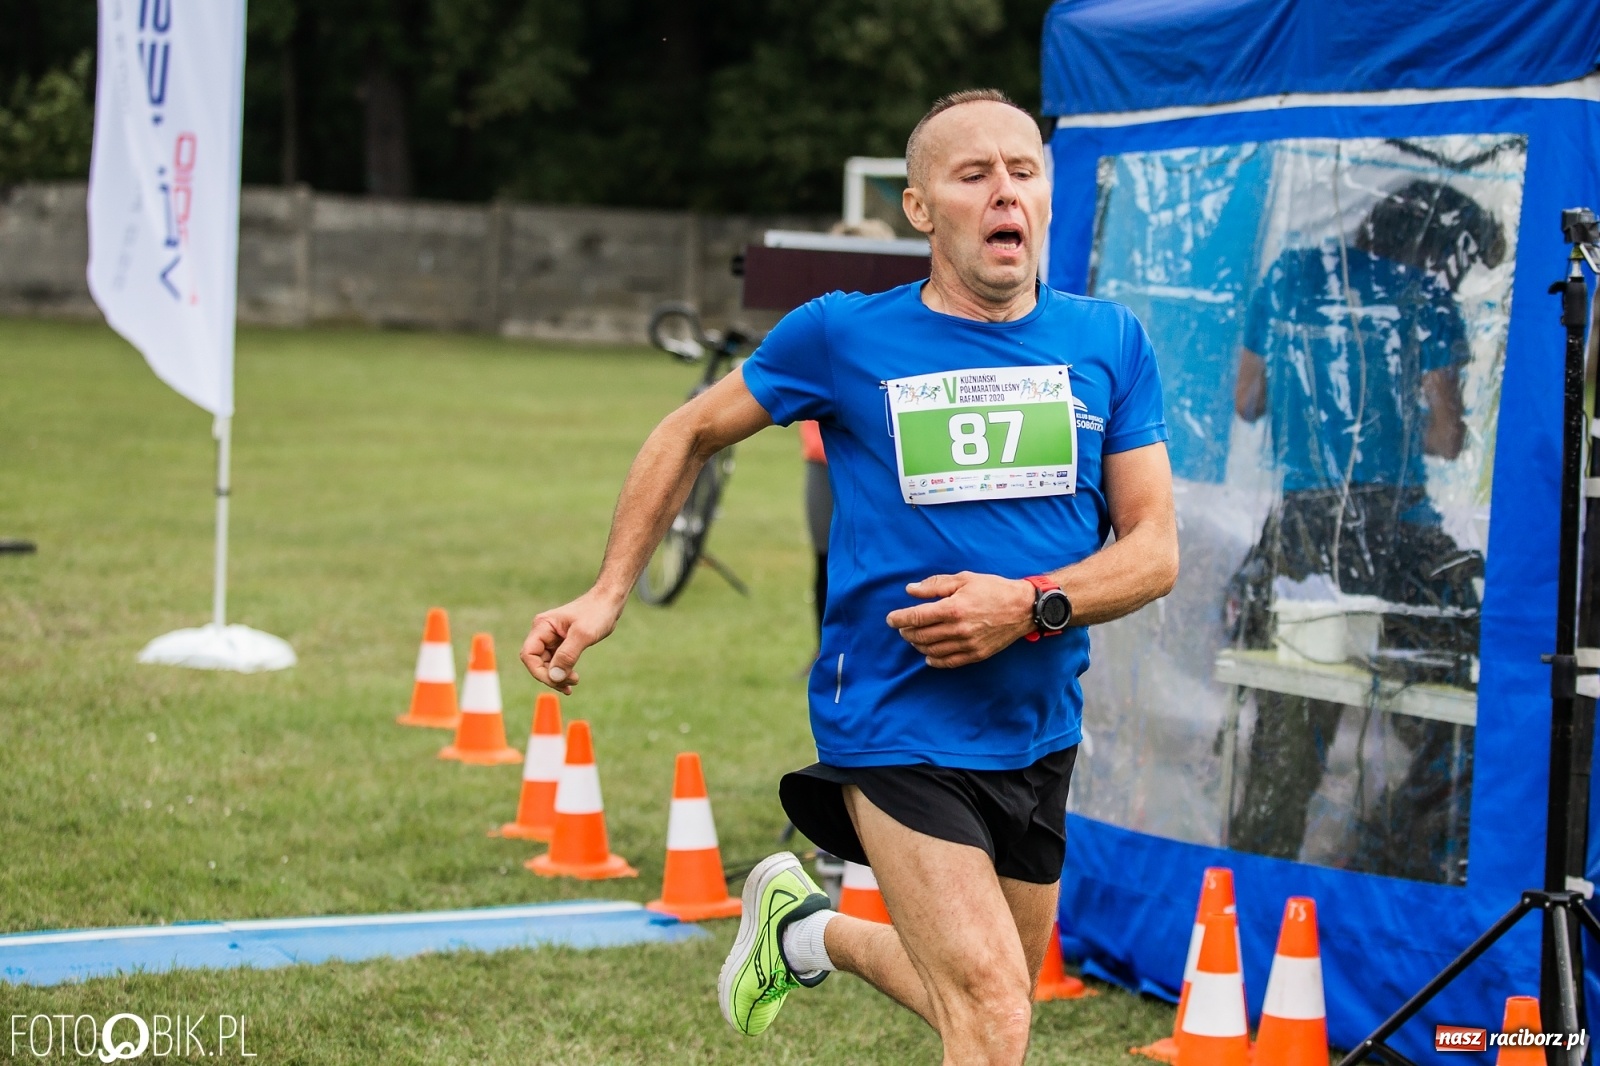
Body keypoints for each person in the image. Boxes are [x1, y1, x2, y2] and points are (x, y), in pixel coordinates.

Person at [520, 88, 1177, 1066]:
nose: (1005, 191)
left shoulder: (1110, 341)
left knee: (992, 995)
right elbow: (689, 430)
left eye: (1023, 170)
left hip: (1040, 727)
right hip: (895, 722)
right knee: (994, 1011)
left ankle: (805, 933)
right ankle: (816, 930)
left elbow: (1154, 549)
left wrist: (1028, 606)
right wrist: (606, 591)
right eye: (974, 174)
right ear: (920, 209)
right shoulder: (840, 335)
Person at [1225, 180, 1503, 881]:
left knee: (1289, 734)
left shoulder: (1291, 274)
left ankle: (1257, 885)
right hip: (1398, 535)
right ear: (1436, 249)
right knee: (1451, 709)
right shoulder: (1425, 296)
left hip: (1301, 536)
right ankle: (1406, 866)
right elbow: (1445, 438)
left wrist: (1315, 392)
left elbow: (1248, 400)